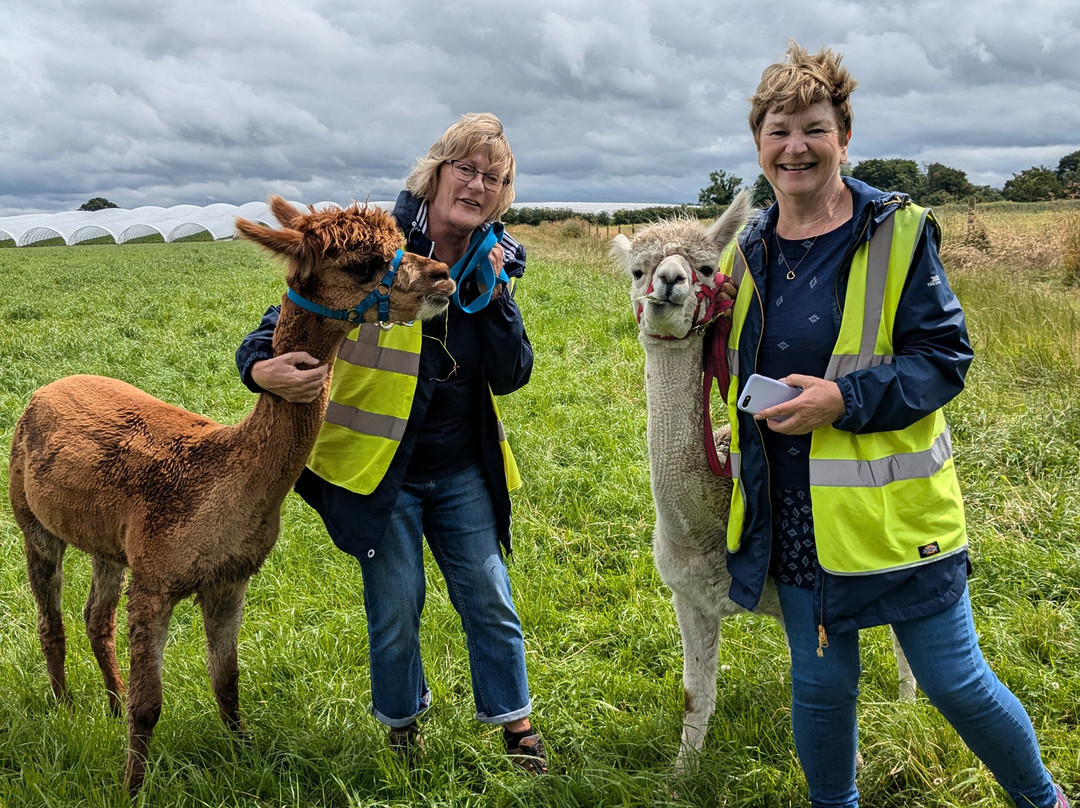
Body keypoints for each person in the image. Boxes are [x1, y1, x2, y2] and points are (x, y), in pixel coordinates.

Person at [719, 42, 1070, 808]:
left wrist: (839, 402)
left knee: (955, 683)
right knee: (820, 686)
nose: (796, 147)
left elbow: (944, 359)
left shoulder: (898, 233)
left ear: (844, 134)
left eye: (814, 127)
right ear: (758, 142)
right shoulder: (750, 253)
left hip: (896, 511)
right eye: (778, 129)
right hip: (795, 514)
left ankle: (1045, 801)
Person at [235, 113, 546, 773]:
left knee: (489, 596)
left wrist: (494, 297)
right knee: (397, 604)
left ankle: (517, 730)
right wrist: (258, 367)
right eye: (466, 168)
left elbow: (514, 374)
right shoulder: (375, 249)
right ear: (436, 173)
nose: (478, 183)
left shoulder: (495, 261)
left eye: (494, 177)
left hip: (462, 467)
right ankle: (402, 729)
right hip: (380, 473)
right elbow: (286, 317)